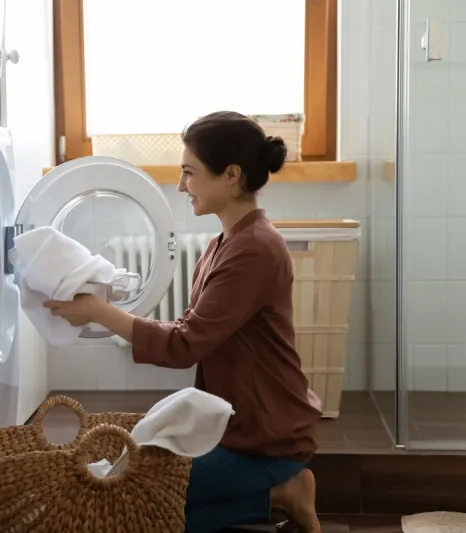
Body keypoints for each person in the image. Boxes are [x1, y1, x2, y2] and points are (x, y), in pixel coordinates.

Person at [44, 111, 322, 533]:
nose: (180, 185)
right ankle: (277, 496)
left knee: (138, 506)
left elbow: (184, 344)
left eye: (189, 172)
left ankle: (281, 492)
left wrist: (97, 310)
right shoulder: (223, 244)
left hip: (266, 440)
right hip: (239, 426)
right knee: (140, 504)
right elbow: (193, 330)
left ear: (231, 175)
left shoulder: (255, 250)